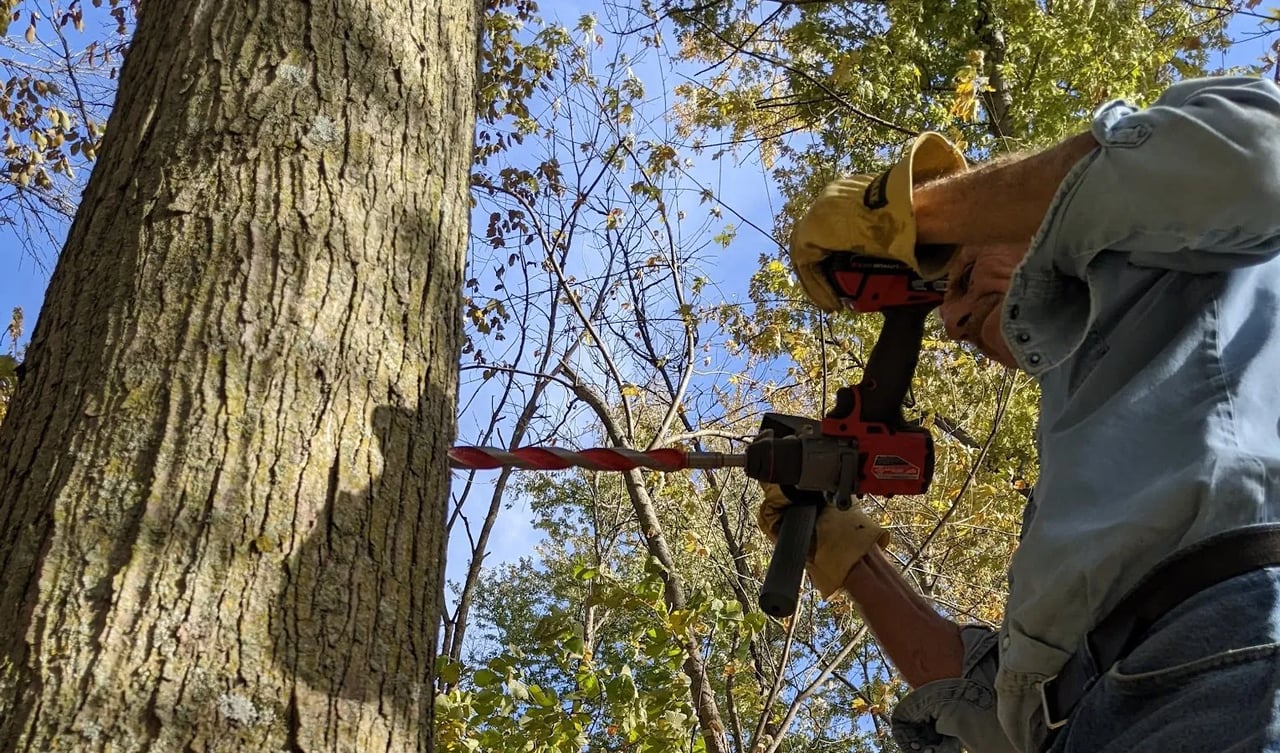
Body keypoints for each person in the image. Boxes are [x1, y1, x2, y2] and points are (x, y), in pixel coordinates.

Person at [759, 75, 1280, 753]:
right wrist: (844, 550)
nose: (946, 317)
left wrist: (916, 214)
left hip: (1228, 647)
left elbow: (1258, 161)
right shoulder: (1083, 456)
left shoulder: (1184, 255)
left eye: (958, 272)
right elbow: (999, 704)